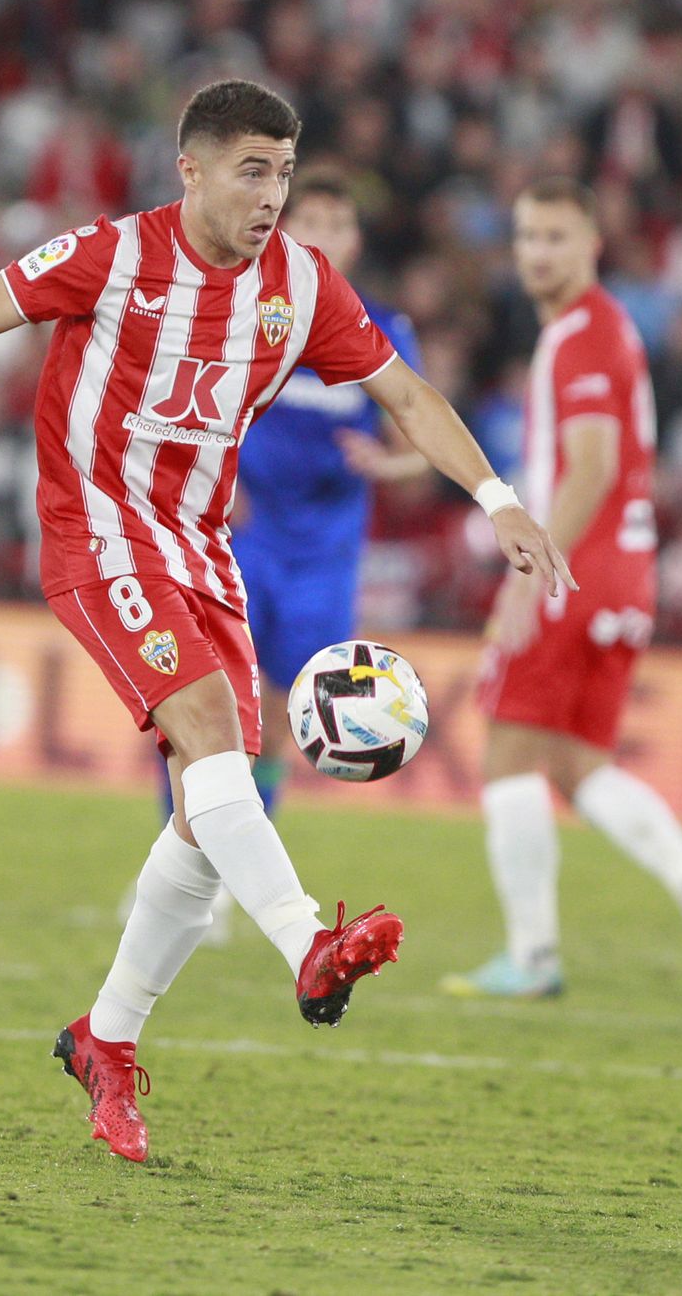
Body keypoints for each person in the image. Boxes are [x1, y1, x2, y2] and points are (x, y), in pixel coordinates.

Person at [0, 79, 574, 1163]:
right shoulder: (109, 256)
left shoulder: (303, 287)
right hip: (98, 533)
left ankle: (107, 1038)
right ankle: (306, 946)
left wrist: (498, 499)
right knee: (208, 738)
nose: (272, 193)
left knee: (206, 800)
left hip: (200, 548)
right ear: (190, 170)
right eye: (251, 169)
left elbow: (407, 397)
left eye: (282, 170)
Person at [443, 177, 682, 1002]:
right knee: (576, 764)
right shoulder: (602, 331)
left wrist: (528, 576)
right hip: (626, 574)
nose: (538, 253)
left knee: (506, 752)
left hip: (579, 570)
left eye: (556, 238)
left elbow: (595, 463)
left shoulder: (581, 333)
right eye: (528, 237)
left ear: (591, 245)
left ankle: (532, 957)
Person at [139, 168, 425, 945]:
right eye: (316, 221)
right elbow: (186, 400)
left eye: (341, 222)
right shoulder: (251, 308)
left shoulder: (381, 327)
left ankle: (223, 874)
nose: (328, 235)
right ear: (294, 232)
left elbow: (418, 440)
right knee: (205, 709)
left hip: (325, 552)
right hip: (241, 538)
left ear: (356, 239)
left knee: (278, 717)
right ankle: (197, 882)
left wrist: (385, 465)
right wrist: (211, 477)